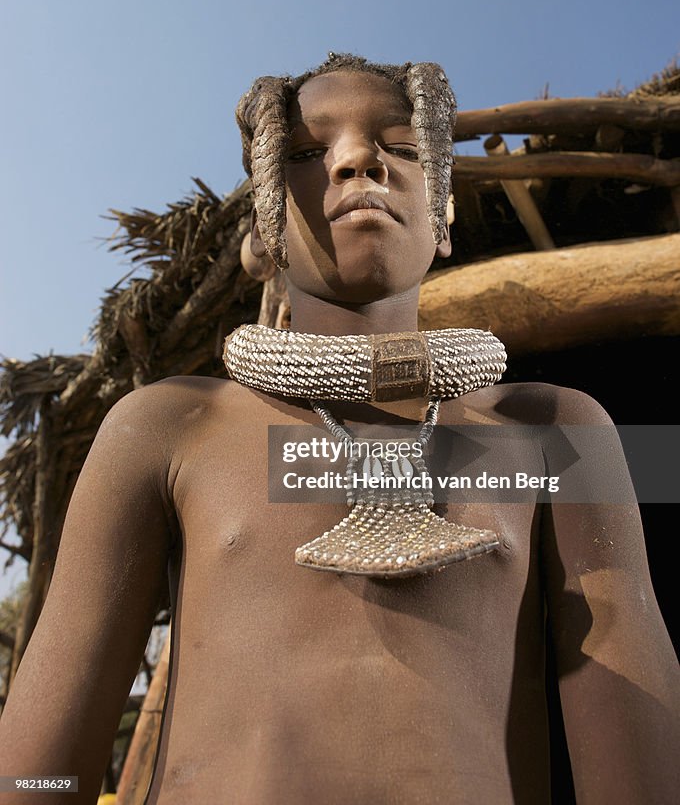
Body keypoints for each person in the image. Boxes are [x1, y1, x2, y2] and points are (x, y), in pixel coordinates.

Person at [0, 53, 678, 804]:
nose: (357, 159)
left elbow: (640, 772)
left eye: (404, 148)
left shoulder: (553, 430)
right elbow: (37, 771)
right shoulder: (171, 426)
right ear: (264, 223)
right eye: (305, 152)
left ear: (444, 212)